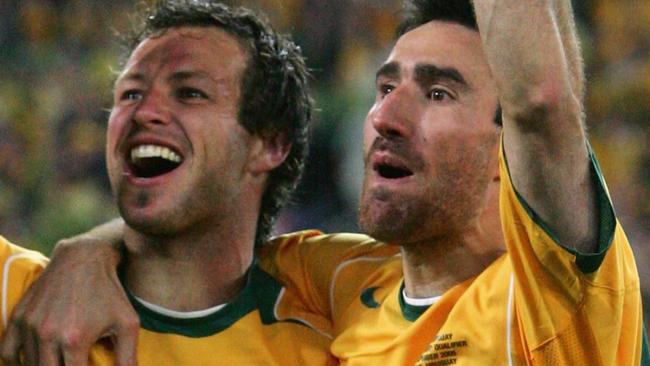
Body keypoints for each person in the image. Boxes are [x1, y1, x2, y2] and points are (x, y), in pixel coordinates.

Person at [3, 0, 649, 365]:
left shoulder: (551, 301)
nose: (384, 116)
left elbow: (542, 98)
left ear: (509, 146)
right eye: (386, 85)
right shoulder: (338, 283)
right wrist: (87, 252)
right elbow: (209, 220)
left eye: (439, 92)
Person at [0, 1, 337, 365]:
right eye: (130, 93)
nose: (144, 112)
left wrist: (91, 245)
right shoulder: (20, 302)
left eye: (190, 93)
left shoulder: (329, 343)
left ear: (270, 144)